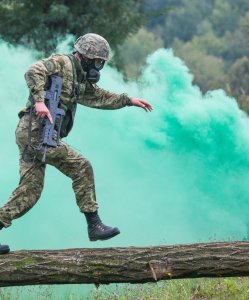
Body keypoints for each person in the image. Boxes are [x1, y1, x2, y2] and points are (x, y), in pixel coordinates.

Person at [0, 33, 153, 253]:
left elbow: (97, 96)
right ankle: (94, 224)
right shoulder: (62, 62)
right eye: (97, 61)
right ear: (85, 56)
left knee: (29, 193)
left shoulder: (78, 78)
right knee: (81, 167)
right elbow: (33, 70)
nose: (98, 67)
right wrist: (40, 101)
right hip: (35, 131)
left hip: (36, 134)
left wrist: (128, 100)